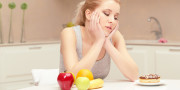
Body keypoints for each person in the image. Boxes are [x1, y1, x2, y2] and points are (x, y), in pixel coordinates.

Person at [60, 0, 139, 81]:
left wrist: (107, 43)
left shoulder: (115, 36)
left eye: (116, 17)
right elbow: (73, 77)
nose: (112, 20)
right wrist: (99, 42)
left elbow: (134, 75)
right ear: (89, 14)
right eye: (106, 14)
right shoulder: (70, 34)